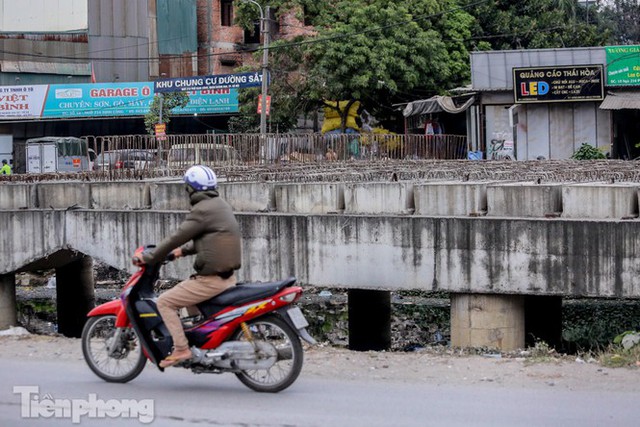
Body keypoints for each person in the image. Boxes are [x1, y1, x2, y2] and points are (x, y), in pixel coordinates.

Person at [137, 165, 242, 368]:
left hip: (211, 280)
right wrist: (182, 252)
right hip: (227, 277)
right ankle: (201, 343)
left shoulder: (201, 211)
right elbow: (209, 239)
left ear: (191, 189)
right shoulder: (219, 205)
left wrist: (150, 257)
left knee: (166, 302)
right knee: (187, 296)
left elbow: (176, 237)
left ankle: (181, 349)